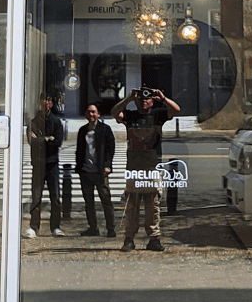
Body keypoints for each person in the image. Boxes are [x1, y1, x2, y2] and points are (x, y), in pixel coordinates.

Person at [114, 85, 180, 252]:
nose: (144, 101)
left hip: (152, 167)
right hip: (134, 167)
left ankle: (154, 238)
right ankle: (129, 239)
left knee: (153, 206)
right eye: (140, 99)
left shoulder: (158, 115)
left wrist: (163, 99)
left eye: (147, 98)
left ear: (152, 101)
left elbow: (176, 110)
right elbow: (115, 113)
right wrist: (128, 99)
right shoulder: (130, 115)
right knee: (132, 206)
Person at [26, 93, 67, 238]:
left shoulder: (56, 122)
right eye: (44, 99)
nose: (46, 103)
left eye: (49, 100)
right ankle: (34, 227)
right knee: (36, 197)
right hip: (38, 163)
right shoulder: (34, 121)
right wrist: (47, 139)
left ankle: (55, 226)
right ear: (39, 102)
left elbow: (57, 142)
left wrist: (41, 139)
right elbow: (31, 141)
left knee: (55, 197)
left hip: (52, 163)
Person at [73, 104, 118, 238]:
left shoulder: (105, 129)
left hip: (100, 172)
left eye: (93, 112)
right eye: (89, 112)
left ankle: (111, 228)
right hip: (85, 171)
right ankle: (93, 228)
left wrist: (108, 165)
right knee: (89, 202)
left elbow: (110, 148)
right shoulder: (82, 130)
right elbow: (79, 150)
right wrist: (79, 167)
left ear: (98, 114)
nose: (91, 115)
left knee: (106, 201)